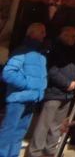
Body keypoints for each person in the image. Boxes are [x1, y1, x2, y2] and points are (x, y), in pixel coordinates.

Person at [28, 25, 75, 157]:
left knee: (57, 126)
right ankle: (35, 152)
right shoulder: (54, 49)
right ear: (64, 35)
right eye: (72, 36)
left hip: (67, 94)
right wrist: (67, 84)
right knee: (44, 124)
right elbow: (52, 70)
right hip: (54, 92)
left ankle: (50, 151)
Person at [0, 22, 47, 157]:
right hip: (18, 99)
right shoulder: (22, 51)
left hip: (32, 98)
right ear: (31, 33)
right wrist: (28, 84)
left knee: (20, 132)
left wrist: (39, 90)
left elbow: (42, 76)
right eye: (41, 31)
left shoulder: (41, 55)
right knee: (8, 131)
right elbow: (8, 73)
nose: (45, 34)